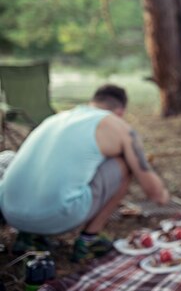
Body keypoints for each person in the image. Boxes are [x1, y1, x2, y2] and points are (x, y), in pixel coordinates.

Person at [0, 84, 169, 261]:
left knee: (11, 157)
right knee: (124, 164)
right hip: (54, 217)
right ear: (120, 111)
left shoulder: (57, 118)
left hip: (10, 212)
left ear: (92, 102)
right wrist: (163, 195)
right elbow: (156, 195)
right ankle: (89, 241)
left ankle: (28, 237)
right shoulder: (118, 126)